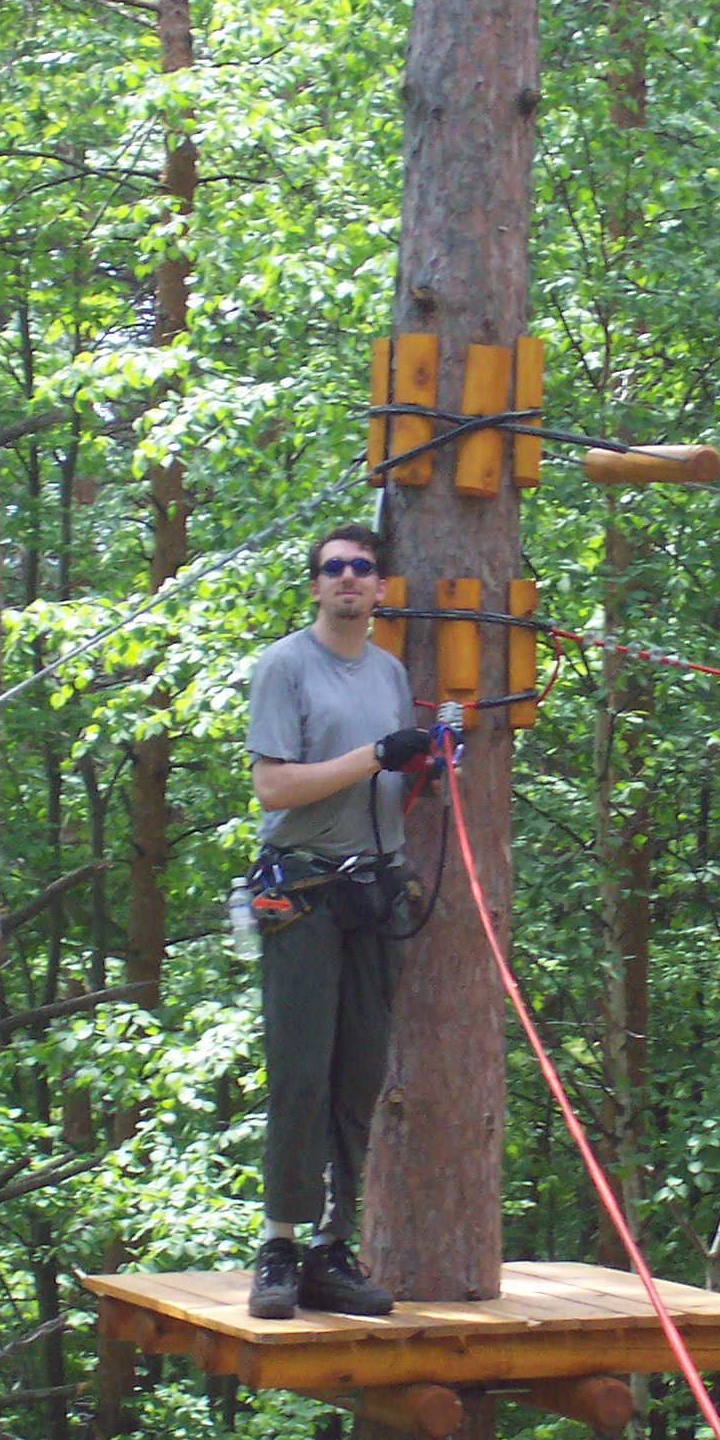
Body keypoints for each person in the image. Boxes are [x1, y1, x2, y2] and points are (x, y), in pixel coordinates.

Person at [243, 521, 433, 1319]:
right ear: (316, 584)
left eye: (361, 567)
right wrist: (377, 756)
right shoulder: (286, 666)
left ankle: (331, 1247)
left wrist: (420, 763)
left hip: (373, 891)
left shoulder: (388, 672)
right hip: (304, 891)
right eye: (333, 568)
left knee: (359, 1074)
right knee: (301, 1071)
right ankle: (278, 1247)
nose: (348, 578)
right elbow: (274, 787)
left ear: (382, 586)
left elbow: (384, 778)